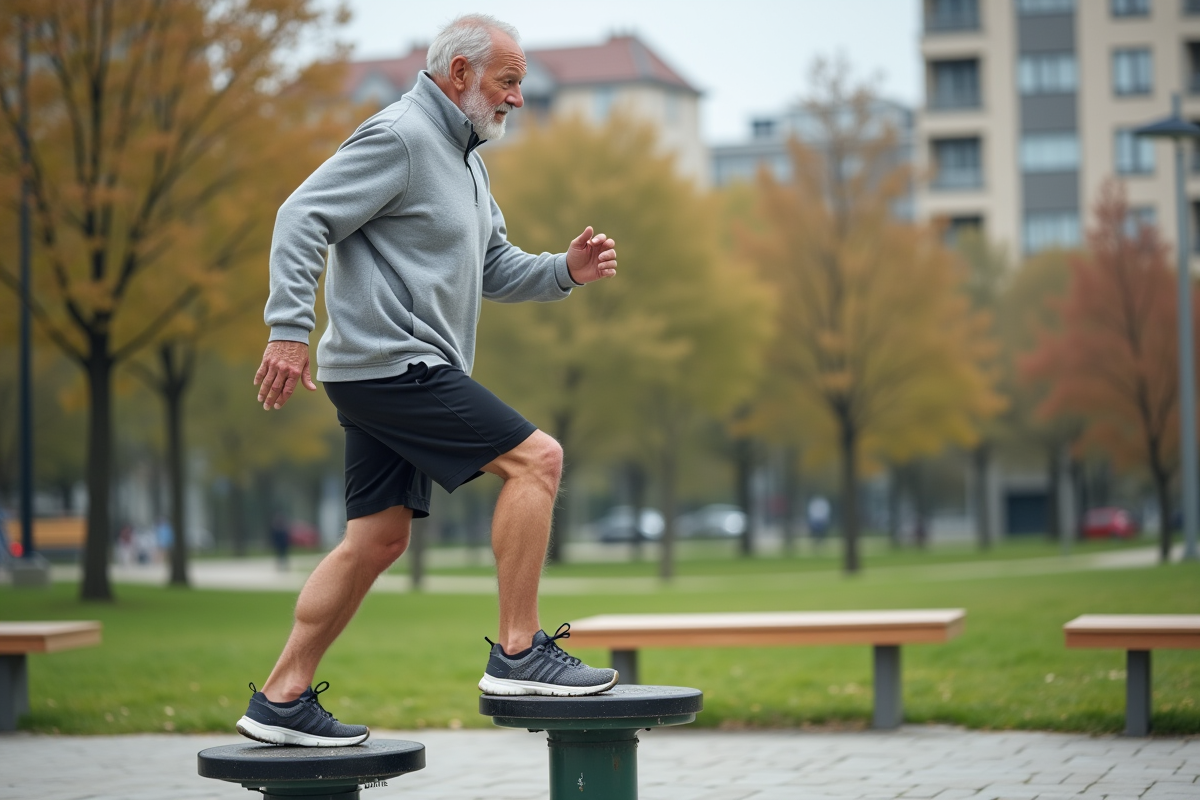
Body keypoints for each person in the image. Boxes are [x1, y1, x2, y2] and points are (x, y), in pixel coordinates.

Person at [236, 14, 620, 748]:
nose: (517, 97)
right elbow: (301, 215)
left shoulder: (466, 162)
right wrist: (288, 329)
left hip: (387, 370)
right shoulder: (402, 135)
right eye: (508, 80)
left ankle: (281, 697)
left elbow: (494, 266)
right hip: (394, 362)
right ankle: (518, 650)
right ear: (461, 74)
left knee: (375, 540)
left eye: (522, 83)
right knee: (538, 459)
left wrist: (563, 272)